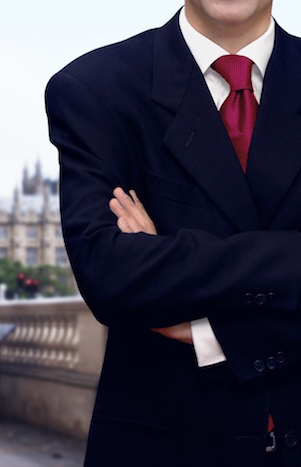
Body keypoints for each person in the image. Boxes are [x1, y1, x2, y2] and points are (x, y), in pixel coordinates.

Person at [46, 1, 301, 465]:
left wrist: (211, 330)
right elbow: (110, 275)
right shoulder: (94, 88)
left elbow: (138, 270)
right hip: (164, 444)